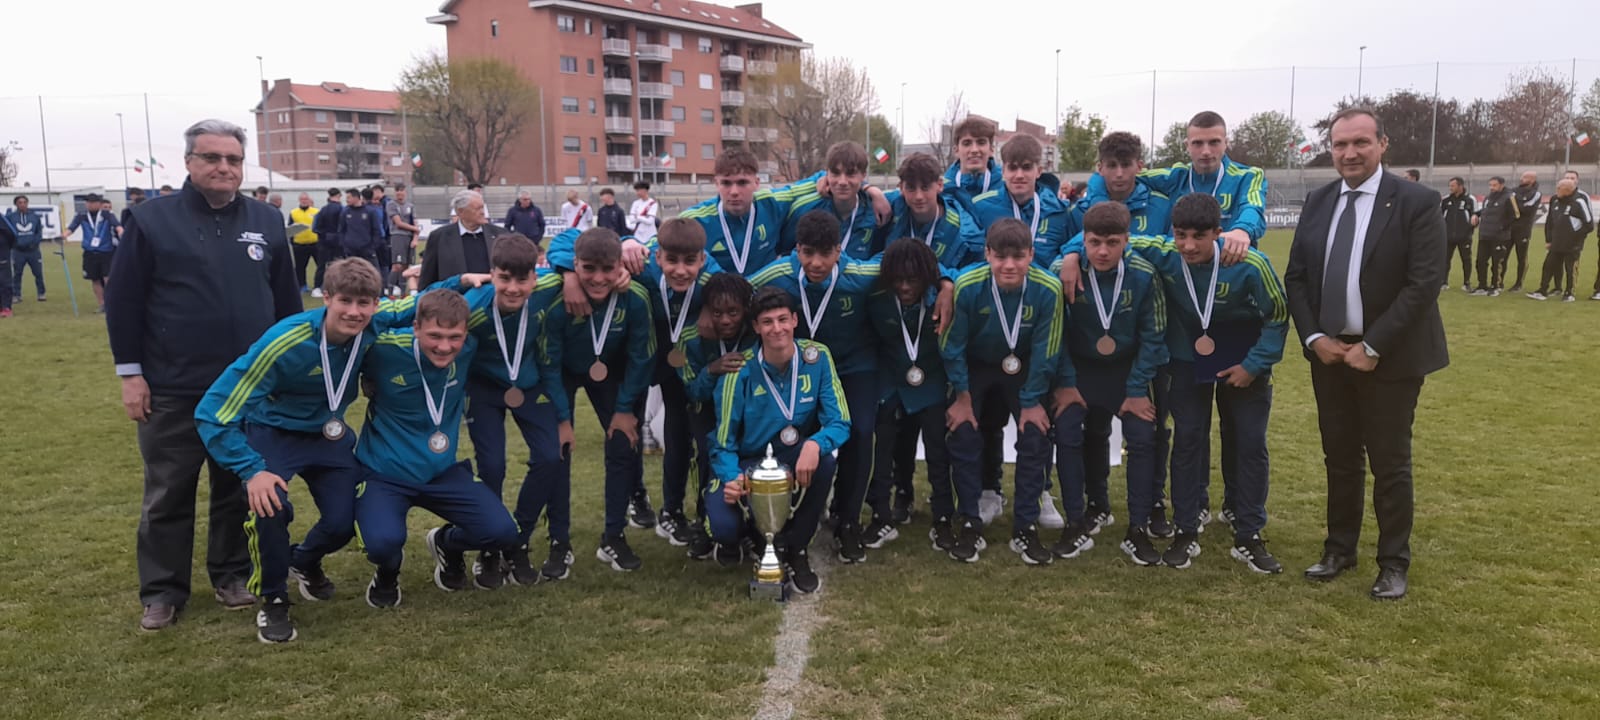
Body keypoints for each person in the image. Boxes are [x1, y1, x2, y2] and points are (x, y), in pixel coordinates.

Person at [106, 118, 303, 631]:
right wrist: (131, 375)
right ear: (189, 162)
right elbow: (123, 302)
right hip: (172, 388)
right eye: (211, 158)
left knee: (237, 488)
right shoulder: (150, 219)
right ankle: (162, 591)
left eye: (233, 159)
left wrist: (288, 372)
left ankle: (232, 574)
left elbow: (287, 303)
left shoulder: (266, 219)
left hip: (245, 391)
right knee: (168, 493)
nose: (223, 167)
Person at [1284, 107, 1449, 601]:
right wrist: (1315, 338)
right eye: (1340, 144)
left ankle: (1393, 562)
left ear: (1382, 144)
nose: (1350, 153)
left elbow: (1425, 283)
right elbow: (1297, 278)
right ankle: (1340, 550)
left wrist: (1373, 346)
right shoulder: (1319, 201)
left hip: (1390, 358)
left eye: (1360, 142)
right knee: (1339, 457)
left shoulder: (1417, 201)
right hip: (1331, 355)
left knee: (1390, 463)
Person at [192, 259, 388, 642]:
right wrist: (252, 470)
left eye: (364, 303)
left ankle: (304, 560)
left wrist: (466, 280)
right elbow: (212, 412)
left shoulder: (372, 326)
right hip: (273, 433)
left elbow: (419, 305)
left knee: (346, 519)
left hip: (327, 436)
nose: (354, 312)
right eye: (345, 301)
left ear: (376, 304)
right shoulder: (284, 342)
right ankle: (274, 599)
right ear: (326, 298)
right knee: (271, 507)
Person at [1119, 195, 1288, 572]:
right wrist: (1070, 257)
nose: (1189, 245)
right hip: (1186, 360)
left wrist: (1254, 365)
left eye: (1199, 236)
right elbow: (1112, 237)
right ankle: (1186, 528)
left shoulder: (1250, 263)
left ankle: (1249, 534)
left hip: (1244, 362)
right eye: (1181, 235)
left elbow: (1277, 316)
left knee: (1249, 442)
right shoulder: (1165, 251)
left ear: (1218, 233)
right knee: (1188, 438)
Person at [353, 290, 523, 605]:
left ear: (465, 333)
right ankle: (388, 571)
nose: (444, 347)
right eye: (434, 336)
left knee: (502, 532)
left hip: (442, 472)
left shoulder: (469, 348)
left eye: (454, 337)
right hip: (384, 474)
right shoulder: (384, 348)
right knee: (382, 543)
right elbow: (357, 323)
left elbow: (508, 296)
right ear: (415, 327)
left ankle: (447, 543)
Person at [750, 210, 887, 563]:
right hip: (800, 371)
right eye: (807, 253)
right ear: (796, 249)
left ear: (839, 250)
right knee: (790, 433)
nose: (815, 263)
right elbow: (735, 290)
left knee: (861, 431)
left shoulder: (860, 275)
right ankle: (779, 516)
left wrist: (946, 283)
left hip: (854, 366)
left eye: (825, 254)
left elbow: (906, 262)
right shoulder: (776, 275)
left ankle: (848, 520)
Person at [1048, 202, 1169, 565]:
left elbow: (1154, 337)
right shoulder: (1062, 272)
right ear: (1083, 241)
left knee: (1143, 435)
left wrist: (1136, 390)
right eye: (1095, 242)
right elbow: (1054, 335)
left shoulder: (1144, 274)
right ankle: (1078, 520)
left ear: (1126, 241)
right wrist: (1066, 382)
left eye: (1112, 243)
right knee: (1068, 430)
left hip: (1126, 372)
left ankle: (1138, 528)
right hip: (1080, 371)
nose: (1102, 251)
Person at [709, 287, 849, 594]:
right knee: (723, 527)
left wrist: (815, 443)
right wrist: (732, 477)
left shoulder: (817, 357)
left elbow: (840, 421)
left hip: (793, 454)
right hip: (747, 462)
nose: (777, 329)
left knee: (825, 461)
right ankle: (754, 536)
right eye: (767, 322)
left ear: (795, 320)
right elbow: (722, 442)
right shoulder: (739, 371)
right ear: (756, 327)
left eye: (783, 319)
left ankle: (797, 548)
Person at [452, 234, 572, 587]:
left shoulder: (547, 288)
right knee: (492, 466)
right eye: (504, 279)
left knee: (550, 457)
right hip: (484, 390)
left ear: (536, 277)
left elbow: (573, 247)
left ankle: (517, 537)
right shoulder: (473, 307)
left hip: (530, 386)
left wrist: (571, 275)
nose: (514, 289)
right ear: (492, 274)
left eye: (523, 280)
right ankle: (489, 547)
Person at [942, 218, 1064, 564]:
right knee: (962, 430)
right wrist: (962, 397)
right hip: (977, 366)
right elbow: (952, 345)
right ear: (987, 254)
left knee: (1035, 432)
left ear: (1031, 255)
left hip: (1022, 366)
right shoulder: (968, 285)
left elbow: (1047, 349)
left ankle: (1025, 525)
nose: (1009, 265)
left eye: (1018, 257)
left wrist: (1032, 401)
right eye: (1000, 257)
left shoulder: (1048, 288)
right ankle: (970, 520)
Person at [539, 228, 657, 574]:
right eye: (588, 268)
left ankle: (614, 536)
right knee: (558, 450)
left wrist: (624, 409)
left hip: (609, 370)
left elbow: (641, 357)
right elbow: (548, 362)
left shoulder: (635, 297)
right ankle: (559, 541)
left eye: (608, 269)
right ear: (575, 264)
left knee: (622, 442)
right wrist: (562, 418)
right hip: (562, 373)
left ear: (621, 265)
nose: (599, 278)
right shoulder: (558, 297)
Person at [627, 218, 720, 551]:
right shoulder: (642, 267)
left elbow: (733, 288)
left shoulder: (712, 278)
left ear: (702, 259)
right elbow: (578, 246)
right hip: (648, 363)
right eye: (672, 261)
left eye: (690, 261)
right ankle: (654, 504)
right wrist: (625, 241)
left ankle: (698, 513)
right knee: (642, 434)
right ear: (657, 257)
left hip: (691, 368)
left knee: (694, 438)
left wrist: (712, 302)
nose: (680, 270)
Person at [864, 240, 952, 552]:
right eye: (898, 280)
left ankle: (943, 516)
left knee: (937, 448)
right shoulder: (876, 297)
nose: (904, 287)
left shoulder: (941, 295)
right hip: (891, 377)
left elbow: (959, 272)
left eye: (912, 280)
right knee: (885, 445)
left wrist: (947, 283)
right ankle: (882, 513)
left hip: (931, 379)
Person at [672, 271, 755, 561]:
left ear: (746, 309)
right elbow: (691, 391)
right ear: (707, 309)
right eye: (717, 313)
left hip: (750, 411)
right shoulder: (689, 338)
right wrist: (711, 370)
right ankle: (704, 522)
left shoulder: (757, 332)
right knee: (707, 456)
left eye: (733, 312)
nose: (726, 320)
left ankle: (753, 523)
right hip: (706, 411)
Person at [971, 134, 1080, 269]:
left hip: (1043, 282)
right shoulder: (980, 207)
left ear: (1039, 171)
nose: (1019, 175)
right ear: (1003, 171)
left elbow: (1072, 250)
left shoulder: (1058, 211)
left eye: (1026, 167)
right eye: (1012, 168)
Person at [783, 142, 884, 260]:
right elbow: (785, 252)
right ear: (827, 174)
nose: (842, 182)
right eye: (835, 173)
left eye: (850, 174)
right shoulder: (804, 208)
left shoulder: (874, 212)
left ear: (863, 175)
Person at [419, 189, 505, 288]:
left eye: (482, 208)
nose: (482, 212)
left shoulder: (501, 235)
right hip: (454, 296)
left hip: (493, 294)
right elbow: (427, 277)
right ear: (460, 212)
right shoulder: (439, 237)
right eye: (477, 209)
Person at [1528, 179, 1591, 302]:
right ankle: (1542, 290)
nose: (1556, 190)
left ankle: (1569, 293)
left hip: (1572, 244)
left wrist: (1574, 237)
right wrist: (1549, 239)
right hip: (1556, 242)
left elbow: (1588, 225)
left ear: (1567, 190)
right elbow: (1550, 221)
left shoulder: (1579, 202)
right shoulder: (1555, 201)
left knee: (1570, 268)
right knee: (1548, 266)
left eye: (1559, 188)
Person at [67, 194, 121, 313]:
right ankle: (102, 304)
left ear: (99, 204)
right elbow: (71, 228)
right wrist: (63, 235)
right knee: (94, 279)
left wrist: (121, 232)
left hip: (106, 252)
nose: (90, 205)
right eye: (88, 202)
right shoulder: (81, 215)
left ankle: (112, 303)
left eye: (93, 202)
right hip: (90, 252)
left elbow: (117, 225)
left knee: (108, 279)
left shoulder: (107, 215)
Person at [944, 115, 1005, 218]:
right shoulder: (943, 189)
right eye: (967, 143)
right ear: (956, 150)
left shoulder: (1006, 186)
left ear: (991, 149)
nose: (974, 150)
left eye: (981, 142)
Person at [1472, 176, 1519, 296]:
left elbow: (1515, 215)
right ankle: (1482, 286)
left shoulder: (1509, 197)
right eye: (1490, 185)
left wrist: (1502, 227)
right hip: (1484, 235)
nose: (1491, 187)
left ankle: (1495, 286)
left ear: (1501, 185)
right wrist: (1476, 214)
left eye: (1494, 185)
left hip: (1499, 237)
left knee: (1497, 263)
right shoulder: (1488, 197)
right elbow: (1485, 210)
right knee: (1480, 261)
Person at [6, 195, 47, 302]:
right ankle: (16, 295)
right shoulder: (10, 217)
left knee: (38, 273)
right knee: (17, 274)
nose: (23, 204)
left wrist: (35, 243)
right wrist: (14, 244)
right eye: (20, 202)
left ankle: (41, 293)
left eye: (25, 202)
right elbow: (7, 232)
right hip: (18, 251)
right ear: (16, 204)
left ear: (27, 203)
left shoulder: (35, 216)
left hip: (33, 251)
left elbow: (39, 232)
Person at [1440, 177, 1476, 292]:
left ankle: (1466, 283)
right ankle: (1443, 282)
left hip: (1464, 237)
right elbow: (1440, 216)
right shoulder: (1446, 200)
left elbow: (1475, 215)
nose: (1450, 188)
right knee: (1445, 260)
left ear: (1460, 186)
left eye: (1453, 186)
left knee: (1466, 259)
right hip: (1448, 236)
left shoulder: (1470, 199)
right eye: (1450, 185)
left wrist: (1470, 229)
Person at [1508, 172, 1542, 293]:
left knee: (1521, 257)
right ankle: (1498, 282)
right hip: (1508, 228)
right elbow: (1507, 206)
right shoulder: (1513, 191)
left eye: (1526, 177)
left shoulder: (1536, 194)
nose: (1522, 179)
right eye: (1522, 176)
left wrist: (1515, 203)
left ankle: (1519, 283)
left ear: (1533, 180)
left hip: (1523, 230)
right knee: (1502, 256)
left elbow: (1526, 208)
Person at [337, 188, 384, 275]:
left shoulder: (370, 211)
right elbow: (341, 230)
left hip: (367, 250)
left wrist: (372, 247)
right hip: (351, 251)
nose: (347, 200)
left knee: (373, 273)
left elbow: (377, 231)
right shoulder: (345, 212)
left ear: (356, 198)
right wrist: (345, 246)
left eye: (348, 197)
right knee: (351, 274)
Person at [386, 185, 419, 297]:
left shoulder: (410, 206)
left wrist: (415, 239)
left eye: (401, 190)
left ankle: (403, 293)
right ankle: (390, 293)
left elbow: (415, 223)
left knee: (405, 266)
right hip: (398, 236)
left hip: (409, 237)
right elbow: (398, 223)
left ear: (405, 192)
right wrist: (415, 229)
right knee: (397, 265)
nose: (399, 193)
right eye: (397, 190)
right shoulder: (391, 205)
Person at [311, 188, 344, 296]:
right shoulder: (342, 209)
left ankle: (317, 287)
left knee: (321, 265)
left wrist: (323, 235)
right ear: (339, 196)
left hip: (323, 241)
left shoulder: (322, 210)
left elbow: (315, 227)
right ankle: (337, 286)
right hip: (338, 242)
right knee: (338, 265)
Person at [288, 193, 320, 294]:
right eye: (302, 199)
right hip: (299, 245)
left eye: (306, 199)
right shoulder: (293, 212)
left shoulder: (316, 211)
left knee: (320, 266)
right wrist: (293, 242)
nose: (304, 201)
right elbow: (290, 228)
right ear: (299, 200)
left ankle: (319, 286)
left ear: (309, 200)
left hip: (315, 244)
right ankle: (302, 286)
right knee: (300, 267)